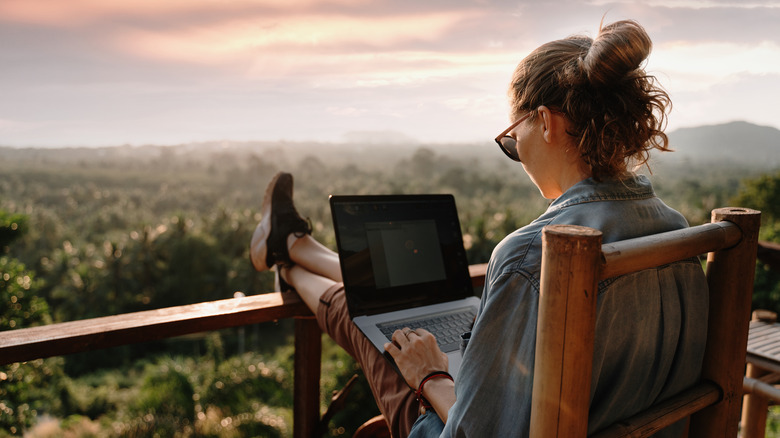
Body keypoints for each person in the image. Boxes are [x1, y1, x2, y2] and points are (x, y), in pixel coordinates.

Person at [250, 19, 708, 437]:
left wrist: (431, 376)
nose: (517, 153)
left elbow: (476, 434)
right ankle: (294, 248)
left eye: (512, 138)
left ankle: (287, 260)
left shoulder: (533, 255)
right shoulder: (677, 232)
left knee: (374, 322)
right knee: (387, 309)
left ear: (545, 122)